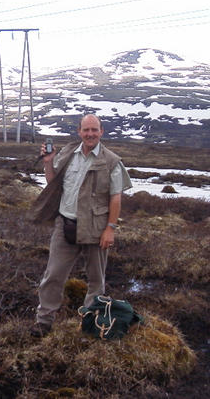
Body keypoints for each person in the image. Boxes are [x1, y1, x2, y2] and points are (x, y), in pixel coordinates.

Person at [29, 113, 132, 337]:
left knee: (96, 281)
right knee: (53, 275)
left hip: (96, 230)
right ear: (79, 132)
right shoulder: (67, 153)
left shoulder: (112, 161)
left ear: (101, 132)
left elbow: (116, 198)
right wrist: (48, 163)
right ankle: (43, 321)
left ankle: (91, 324)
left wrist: (110, 229)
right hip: (64, 225)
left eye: (94, 130)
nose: (90, 134)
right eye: (86, 130)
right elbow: (53, 182)